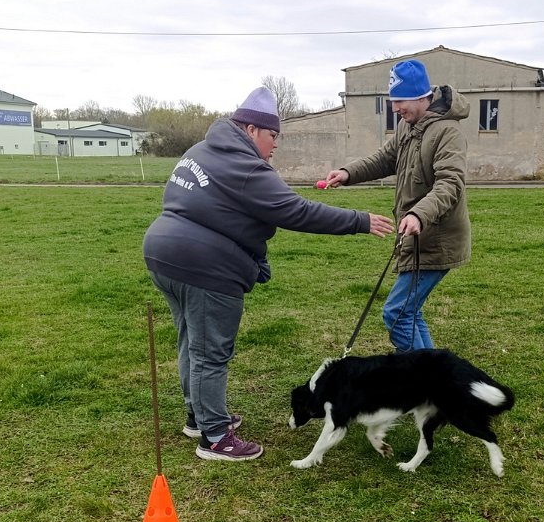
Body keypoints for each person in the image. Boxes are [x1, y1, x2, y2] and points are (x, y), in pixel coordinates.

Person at [143, 86, 394, 462]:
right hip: (205, 265)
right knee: (211, 351)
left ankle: (199, 417)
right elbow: (295, 211)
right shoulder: (246, 167)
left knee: (191, 340)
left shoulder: (199, 151)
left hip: (162, 253)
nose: (275, 145)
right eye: (272, 135)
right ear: (250, 130)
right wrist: (359, 221)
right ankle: (214, 438)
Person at [323, 59, 471, 352]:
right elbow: (384, 159)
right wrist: (348, 173)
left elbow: (450, 183)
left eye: (399, 100)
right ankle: (434, 383)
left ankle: (423, 385)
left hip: (436, 240)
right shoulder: (407, 127)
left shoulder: (447, 132)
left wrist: (418, 214)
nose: (394, 108)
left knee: (397, 313)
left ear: (419, 97)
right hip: (415, 239)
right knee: (409, 313)